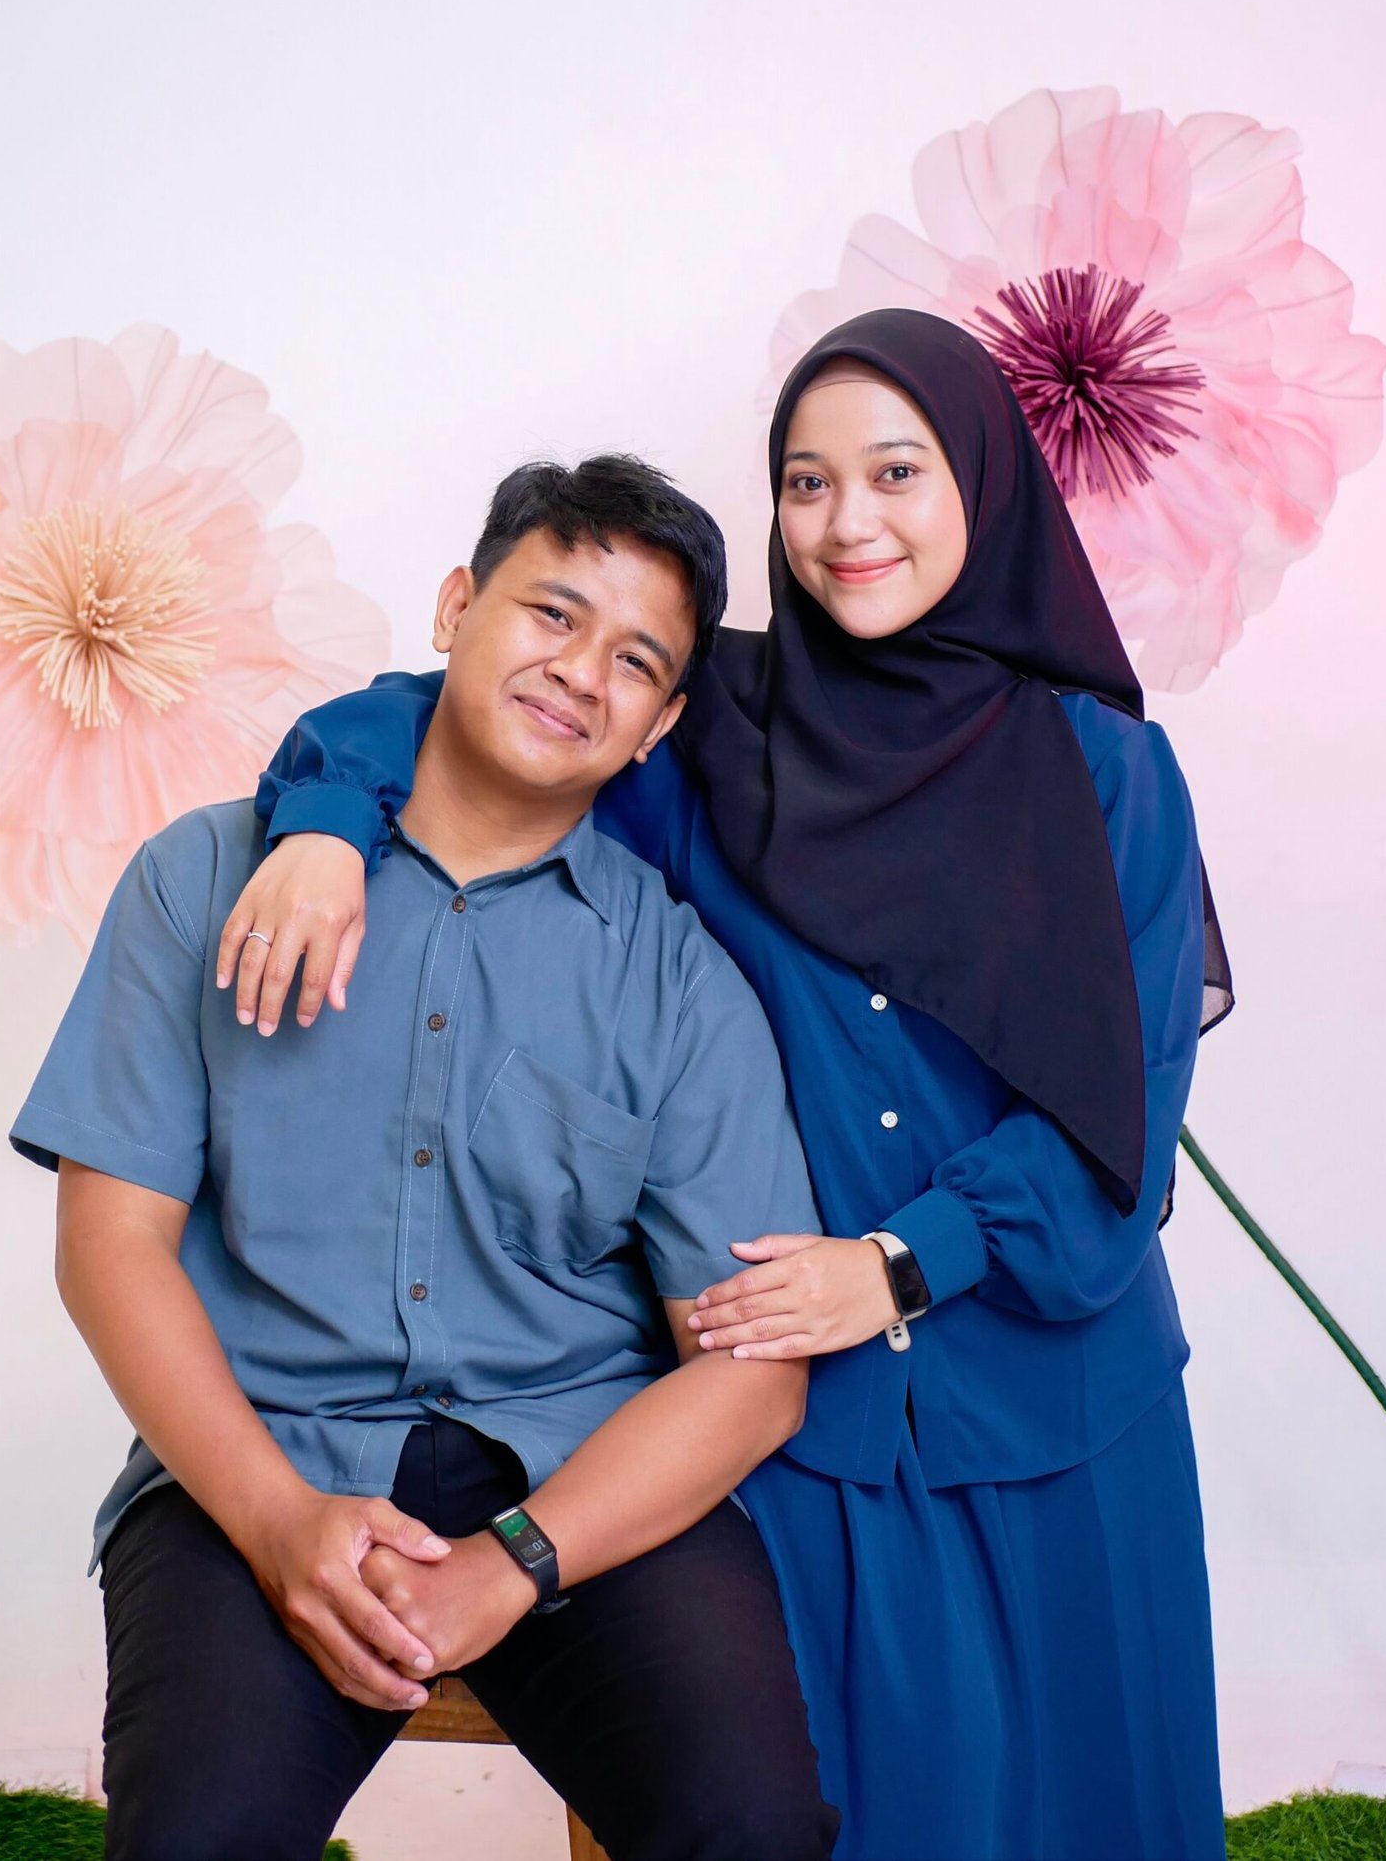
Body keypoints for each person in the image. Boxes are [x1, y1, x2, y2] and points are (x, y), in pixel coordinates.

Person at [227, 311, 1234, 1861]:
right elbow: (463, 715)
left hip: (1063, 1408)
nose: (846, 523)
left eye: (895, 472)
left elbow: (1130, 1120)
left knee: (1080, 1813)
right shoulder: (712, 735)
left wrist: (895, 1264)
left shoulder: (1109, 774)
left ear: (984, 484)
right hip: (798, 1418)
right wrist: (320, 819)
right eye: (806, 483)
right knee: (825, 1814)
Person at [10, 455, 841, 1861]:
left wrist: (516, 1562)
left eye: (636, 660)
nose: (580, 672)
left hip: (576, 1475)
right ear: (457, 608)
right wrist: (277, 1522)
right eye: (552, 613)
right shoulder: (204, 878)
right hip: (265, 1449)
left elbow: (751, 1372)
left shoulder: (679, 978)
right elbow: (110, 1246)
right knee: (199, 1839)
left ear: (660, 727)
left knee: (751, 1829)